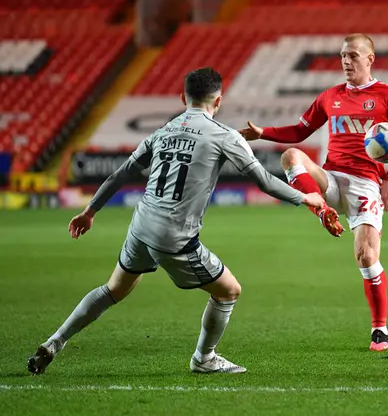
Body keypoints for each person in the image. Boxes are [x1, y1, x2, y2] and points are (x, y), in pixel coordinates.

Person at [27, 67, 325, 375]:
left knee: (113, 289)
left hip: (141, 226)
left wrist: (90, 211)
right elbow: (263, 180)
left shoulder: (162, 131)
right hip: (174, 235)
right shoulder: (225, 136)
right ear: (219, 100)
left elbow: (121, 174)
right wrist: (304, 197)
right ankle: (204, 358)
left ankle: (54, 342)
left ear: (183, 97)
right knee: (228, 291)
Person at [239, 33, 388, 352]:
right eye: (342, 57)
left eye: (352, 56)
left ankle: (380, 330)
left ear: (369, 59)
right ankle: (321, 210)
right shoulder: (329, 97)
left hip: (366, 184)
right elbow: (300, 131)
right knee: (292, 155)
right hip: (332, 178)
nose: (346, 62)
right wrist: (263, 133)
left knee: (367, 257)